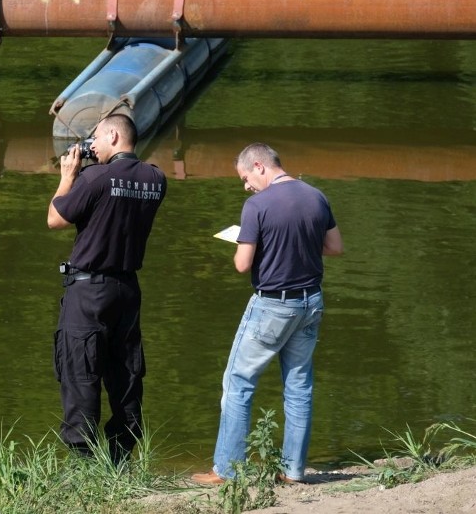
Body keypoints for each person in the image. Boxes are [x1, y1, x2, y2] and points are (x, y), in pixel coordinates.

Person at [193, 142, 344, 485]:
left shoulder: (256, 205)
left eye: (246, 177)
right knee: (299, 385)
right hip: (311, 303)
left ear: (259, 166)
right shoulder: (316, 196)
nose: (246, 185)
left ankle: (227, 470)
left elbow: (242, 264)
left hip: (273, 306)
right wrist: (298, 241)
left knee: (237, 383)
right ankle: (293, 472)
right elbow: (335, 248)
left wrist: (252, 242)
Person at [48, 113, 167, 465]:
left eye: (96, 138)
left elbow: (55, 219)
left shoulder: (93, 178)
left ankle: (85, 464)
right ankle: (119, 457)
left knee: (81, 372)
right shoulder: (156, 180)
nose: (92, 146)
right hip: (127, 291)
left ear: (114, 136)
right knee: (125, 372)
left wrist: (67, 176)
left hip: (88, 292)